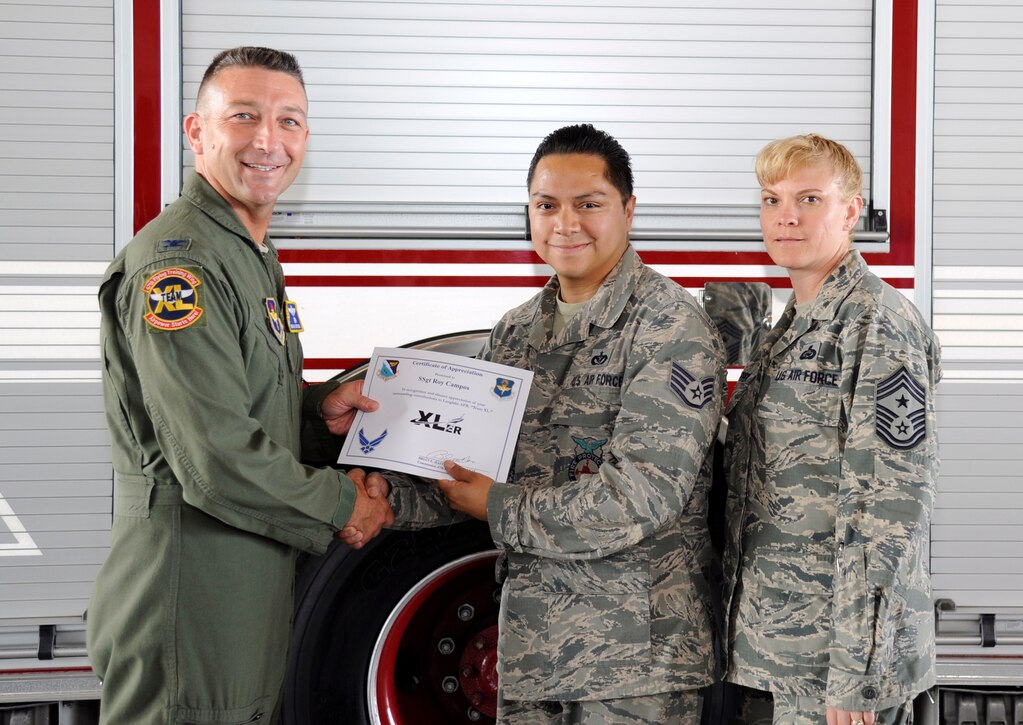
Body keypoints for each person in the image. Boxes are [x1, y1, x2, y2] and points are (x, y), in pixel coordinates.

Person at [367, 123, 725, 723]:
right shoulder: (516, 331)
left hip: (632, 669)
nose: (567, 223)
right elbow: (473, 473)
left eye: (589, 204)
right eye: (547, 205)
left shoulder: (670, 328)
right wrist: (387, 501)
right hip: (530, 657)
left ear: (628, 210)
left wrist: (498, 506)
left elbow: (642, 496)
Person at [86, 46, 392, 725]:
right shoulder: (183, 266)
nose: (267, 140)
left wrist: (318, 411)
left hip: (241, 593)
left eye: (288, 121)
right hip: (189, 597)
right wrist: (344, 502)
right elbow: (214, 454)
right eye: (244, 117)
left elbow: (240, 401)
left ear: (305, 138)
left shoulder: (246, 252)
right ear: (198, 132)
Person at [720, 134, 941, 725]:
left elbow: (889, 507)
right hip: (774, 653)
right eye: (771, 200)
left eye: (809, 198)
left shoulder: (876, 323)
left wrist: (856, 673)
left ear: (851, 209)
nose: (785, 216)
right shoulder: (791, 325)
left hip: (831, 673)